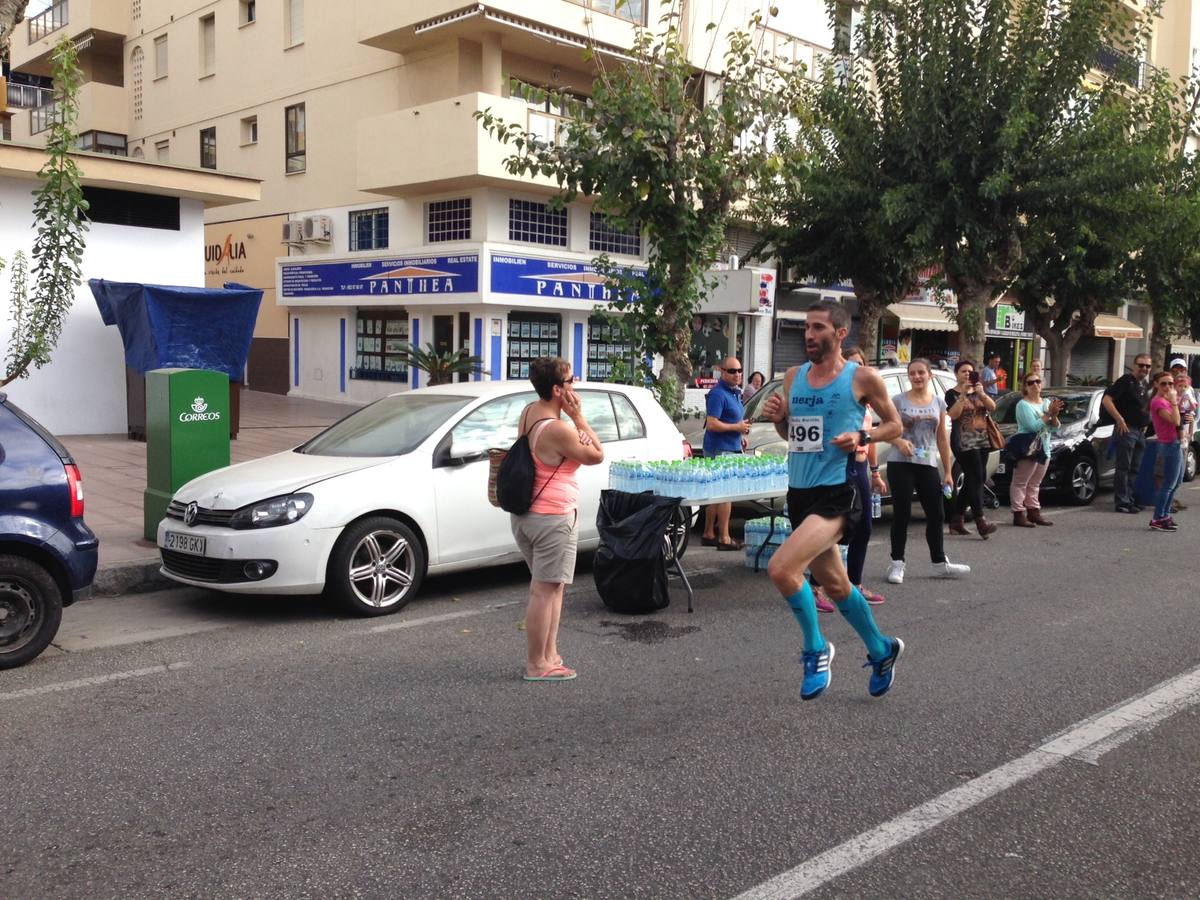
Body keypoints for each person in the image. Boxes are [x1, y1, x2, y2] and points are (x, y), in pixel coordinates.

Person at [762, 301, 906, 701]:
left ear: (840, 334)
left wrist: (863, 438)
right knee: (838, 585)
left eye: (818, 328)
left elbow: (895, 424)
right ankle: (881, 650)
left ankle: (816, 649)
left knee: (781, 568)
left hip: (840, 491)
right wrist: (778, 417)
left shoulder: (861, 377)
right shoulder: (794, 377)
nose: (809, 335)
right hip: (801, 491)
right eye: (806, 327)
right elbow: (792, 435)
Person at [511, 358, 604, 682]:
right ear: (556, 389)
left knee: (553, 588)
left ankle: (549, 654)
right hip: (551, 518)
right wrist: (578, 416)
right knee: (544, 590)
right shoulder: (559, 428)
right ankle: (537, 663)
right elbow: (596, 454)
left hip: (527, 515)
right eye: (570, 381)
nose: (574, 387)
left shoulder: (529, 412)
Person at [810, 346, 888, 612]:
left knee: (863, 527)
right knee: (831, 529)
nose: (856, 371)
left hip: (861, 467)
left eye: (860, 366)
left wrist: (875, 472)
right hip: (839, 468)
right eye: (850, 365)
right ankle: (814, 587)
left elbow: (872, 436)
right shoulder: (836, 398)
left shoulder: (866, 403)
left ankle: (854, 583)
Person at [882, 358, 971, 584]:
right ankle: (897, 564)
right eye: (913, 373)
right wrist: (898, 441)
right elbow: (885, 430)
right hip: (900, 463)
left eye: (921, 372)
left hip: (927, 464)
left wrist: (948, 471)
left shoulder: (939, 402)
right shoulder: (898, 401)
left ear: (930, 375)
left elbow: (942, 436)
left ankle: (939, 563)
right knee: (901, 514)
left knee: (937, 513)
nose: (917, 377)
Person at [945, 358, 998, 539]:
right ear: (956, 374)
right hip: (963, 441)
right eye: (963, 371)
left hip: (982, 439)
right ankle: (980, 520)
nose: (967, 374)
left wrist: (981, 393)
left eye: (970, 371)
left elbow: (993, 407)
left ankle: (956, 520)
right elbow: (953, 414)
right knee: (975, 476)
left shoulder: (978, 390)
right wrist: (963, 395)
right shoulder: (951, 393)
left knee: (977, 477)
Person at [701, 357, 750, 550]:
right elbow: (712, 423)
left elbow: (734, 421)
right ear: (722, 372)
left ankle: (708, 533)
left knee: (716, 493)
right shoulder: (718, 394)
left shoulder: (735, 393)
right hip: (719, 449)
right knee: (725, 493)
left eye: (739, 370)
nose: (737, 374)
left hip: (730, 445)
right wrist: (736, 427)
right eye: (732, 371)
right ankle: (724, 538)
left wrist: (740, 434)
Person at [1010, 371, 1063, 528]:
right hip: (1028, 448)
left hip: (1044, 447)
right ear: (1025, 387)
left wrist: (1054, 415)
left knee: (1035, 483)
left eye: (1038, 381)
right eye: (1031, 382)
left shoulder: (1046, 402)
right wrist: (1049, 414)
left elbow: (1055, 427)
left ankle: (1034, 512)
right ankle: (1018, 513)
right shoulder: (1022, 405)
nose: (1035, 385)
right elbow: (1032, 427)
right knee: (1020, 481)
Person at [1102, 353, 1152, 514]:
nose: (1144, 368)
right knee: (1124, 466)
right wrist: (1120, 419)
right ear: (1134, 365)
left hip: (1139, 431)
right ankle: (1122, 502)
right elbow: (1107, 399)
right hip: (1126, 429)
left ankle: (1129, 499)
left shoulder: (1143, 384)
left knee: (1135, 467)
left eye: (1147, 366)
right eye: (1141, 365)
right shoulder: (1125, 381)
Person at [1148, 371, 1183, 531]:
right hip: (1168, 445)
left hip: (1176, 443)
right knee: (1168, 484)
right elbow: (1175, 420)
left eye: (1170, 383)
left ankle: (1165, 515)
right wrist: (1175, 403)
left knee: (1176, 483)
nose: (1168, 387)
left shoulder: (1166, 400)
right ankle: (1158, 517)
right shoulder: (1158, 402)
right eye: (1164, 384)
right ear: (1156, 384)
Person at [1170, 359, 1196, 513]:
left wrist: (1192, 428)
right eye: (1176, 368)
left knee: (1180, 473)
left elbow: (1193, 411)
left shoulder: (1189, 388)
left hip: (1185, 434)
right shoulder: (1168, 387)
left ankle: (1172, 498)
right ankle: (1168, 501)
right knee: (1172, 470)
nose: (1179, 371)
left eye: (1182, 369)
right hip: (1171, 434)